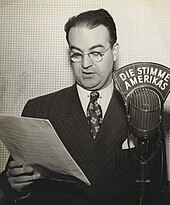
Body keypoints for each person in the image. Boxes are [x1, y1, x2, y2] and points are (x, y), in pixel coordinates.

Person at [0, 8, 168, 205]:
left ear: (114, 52)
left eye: (96, 53)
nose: (86, 64)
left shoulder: (143, 108)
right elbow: (18, 188)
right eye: (77, 54)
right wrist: (14, 186)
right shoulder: (39, 109)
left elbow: (156, 191)